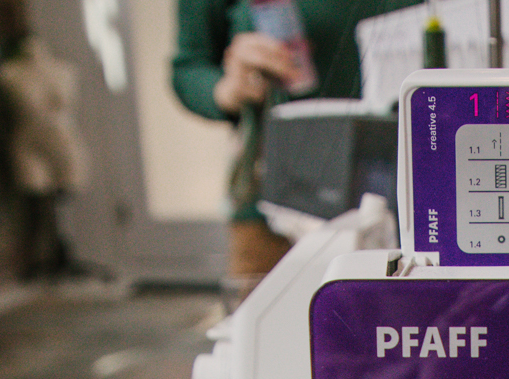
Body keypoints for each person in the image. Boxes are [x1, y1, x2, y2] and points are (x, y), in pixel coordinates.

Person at [173, 1, 420, 297]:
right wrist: (228, 89)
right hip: (279, 214)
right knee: (272, 335)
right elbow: (189, 66)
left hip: (423, 206)